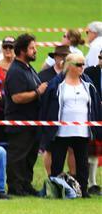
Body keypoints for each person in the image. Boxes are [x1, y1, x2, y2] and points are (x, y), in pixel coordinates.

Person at [40, 53, 101, 197]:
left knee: (82, 164)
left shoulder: (88, 83)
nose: (82, 67)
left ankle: (83, 190)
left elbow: (95, 105)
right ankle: (56, 189)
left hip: (82, 131)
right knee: (57, 162)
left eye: (83, 64)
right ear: (69, 66)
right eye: (78, 65)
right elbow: (47, 106)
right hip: (61, 131)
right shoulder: (57, 84)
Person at [4, 34, 46, 196]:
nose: (35, 51)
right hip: (19, 122)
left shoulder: (28, 68)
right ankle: (15, 187)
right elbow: (17, 97)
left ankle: (26, 184)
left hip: (32, 122)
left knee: (30, 156)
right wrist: (38, 92)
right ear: (22, 50)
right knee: (18, 156)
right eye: (32, 48)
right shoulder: (16, 71)